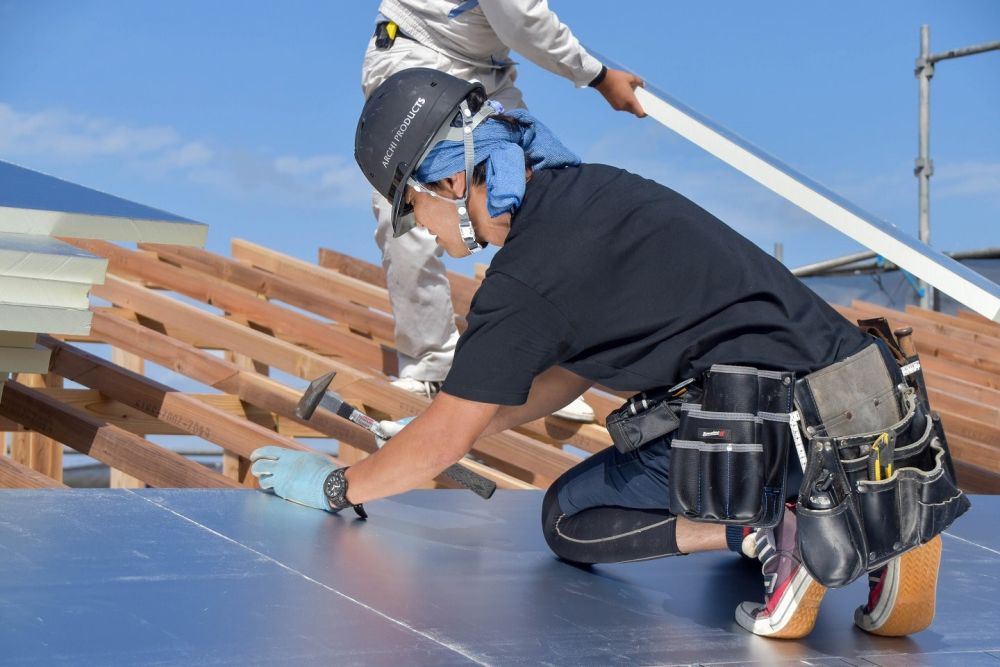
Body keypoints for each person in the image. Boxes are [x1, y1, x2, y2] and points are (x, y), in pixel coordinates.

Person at [253, 69, 966, 639]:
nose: (422, 233)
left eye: (409, 213)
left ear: (443, 183)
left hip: (773, 431)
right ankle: (872, 515)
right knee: (715, 540)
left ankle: (785, 526)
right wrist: (439, 424)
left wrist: (340, 484)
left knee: (569, 517)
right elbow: (564, 376)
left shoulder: (524, 279)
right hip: (865, 403)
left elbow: (446, 445)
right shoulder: (592, 192)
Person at [362, 0, 646, 422]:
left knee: (539, 188)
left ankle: (551, 365)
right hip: (420, 54)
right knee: (416, 203)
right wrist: (598, 77)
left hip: (482, 69)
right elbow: (521, 18)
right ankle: (431, 362)